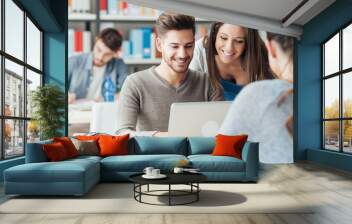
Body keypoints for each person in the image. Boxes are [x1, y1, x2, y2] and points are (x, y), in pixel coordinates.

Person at [116, 12, 219, 136]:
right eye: (174, 46)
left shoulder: (208, 83)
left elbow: (222, 131)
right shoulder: (135, 83)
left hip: (197, 154)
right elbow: (122, 134)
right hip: (154, 154)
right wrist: (162, 136)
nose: (182, 54)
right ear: (159, 45)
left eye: (189, 46)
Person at [219, 30, 294, 164]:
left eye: (239, 40)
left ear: (271, 48)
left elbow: (222, 158)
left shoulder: (258, 93)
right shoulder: (326, 95)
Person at [189, 22, 273, 100]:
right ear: (215, 34)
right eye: (224, 38)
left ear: (247, 42)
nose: (229, 48)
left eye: (239, 41)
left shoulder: (259, 54)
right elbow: (192, 98)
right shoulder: (199, 53)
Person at [68, 28, 128, 105]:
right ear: (96, 41)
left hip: (104, 110)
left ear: (115, 53)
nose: (100, 57)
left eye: (107, 54)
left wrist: (118, 96)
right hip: (77, 112)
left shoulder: (119, 64)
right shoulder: (74, 61)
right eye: (99, 50)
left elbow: (129, 90)